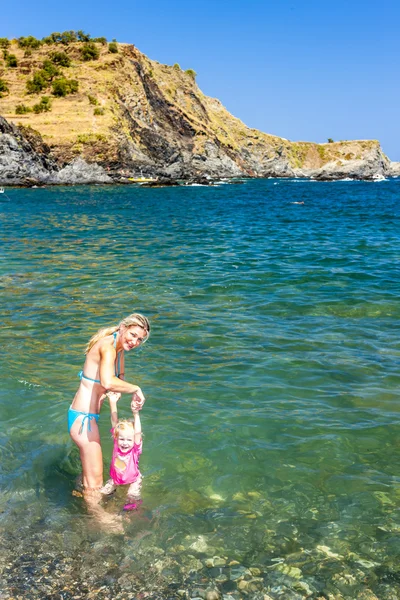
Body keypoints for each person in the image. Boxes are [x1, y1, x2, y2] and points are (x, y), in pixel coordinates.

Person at [68, 313, 150, 498]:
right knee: (95, 486)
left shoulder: (117, 347)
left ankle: (78, 493)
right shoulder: (109, 347)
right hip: (84, 420)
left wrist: (117, 390)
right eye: (133, 335)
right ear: (123, 328)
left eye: (140, 339)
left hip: (86, 416)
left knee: (91, 476)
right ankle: (99, 523)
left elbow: (118, 376)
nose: (135, 341)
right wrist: (136, 389)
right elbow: (107, 381)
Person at [101, 394, 143, 509]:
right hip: (116, 479)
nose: (125, 443)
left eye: (129, 440)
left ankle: (132, 516)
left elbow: (138, 433)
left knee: (131, 496)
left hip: (133, 480)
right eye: (122, 439)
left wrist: (136, 413)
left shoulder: (134, 449)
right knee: (102, 493)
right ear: (116, 438)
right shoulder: (116, 445)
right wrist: (112, 402)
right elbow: (114, 421)